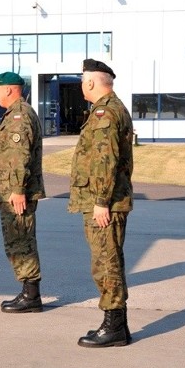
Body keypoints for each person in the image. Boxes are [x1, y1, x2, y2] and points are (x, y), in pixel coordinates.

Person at [68, 59, 134, 347]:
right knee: (108, 260)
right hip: (107, 200)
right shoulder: (105, 109)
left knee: (106, 263)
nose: (82, 85)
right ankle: (116, 324)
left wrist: (100, 201)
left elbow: (105, 162)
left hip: (106, 203)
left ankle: (114, 326)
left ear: (92, 82)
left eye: (83, 80)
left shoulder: (106, 112)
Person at [0, 72, 46, 313]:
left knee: (21, 240)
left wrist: (18, 190)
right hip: (13, 191)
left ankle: (31, 296)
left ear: (10, 90)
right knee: (17, 240)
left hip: (16, 193)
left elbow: (19, 156)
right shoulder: (18, 113)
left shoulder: (18, 117)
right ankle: (28, 291)